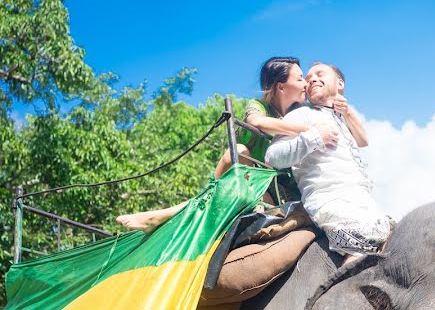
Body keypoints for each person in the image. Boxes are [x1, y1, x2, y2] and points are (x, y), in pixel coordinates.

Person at [116, 57, 340, 232]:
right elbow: (256, 122)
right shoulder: (259, 107)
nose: (306, 83)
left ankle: (163, 214)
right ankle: (161, 215)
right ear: (281, 87)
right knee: (240, 150)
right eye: (300, 78)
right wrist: (310, 131)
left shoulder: (298, 113)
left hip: (278, 186)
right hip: (247, 180)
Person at [266, 62, 391, 256]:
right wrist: (314, 137)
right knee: (363, 254)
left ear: (339, 83)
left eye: (319, 74)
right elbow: (272, 157)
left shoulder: (343, 118)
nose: (312, 79)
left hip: (363, 201)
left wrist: (347, 112)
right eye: (307, 79)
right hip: (331, 200)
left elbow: (363, 140)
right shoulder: (302, 114)